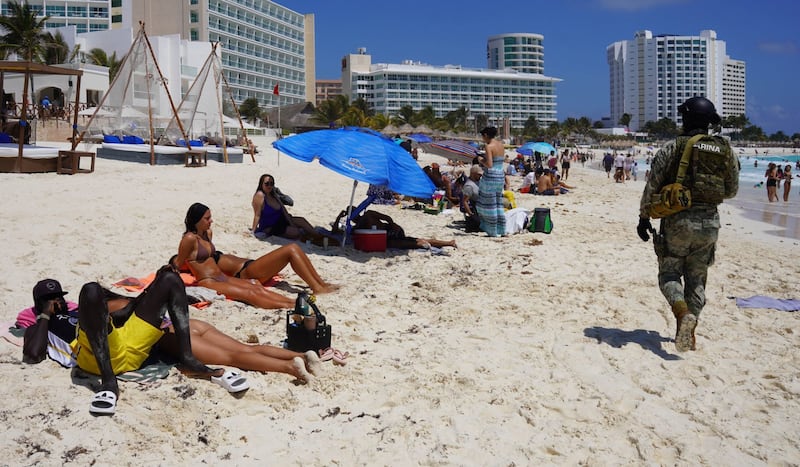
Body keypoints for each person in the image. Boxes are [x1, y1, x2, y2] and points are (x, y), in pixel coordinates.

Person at [23, 272, 230, 415]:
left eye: (58, 296)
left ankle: (188, 358)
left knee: (169, 279)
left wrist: (150, 295)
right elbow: (33, 355)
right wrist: (44, 315)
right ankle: (109, 381)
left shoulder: (81, 311)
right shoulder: (39, 327)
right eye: (49, 299)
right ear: (39, 304)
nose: (56, 301)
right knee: (91, 289)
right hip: (91, 355)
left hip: (124, 344)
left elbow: (122, 315)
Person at [637, 96, 739, 352]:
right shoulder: (726, 149)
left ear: (686, 118)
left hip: (677, 222)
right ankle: (690, 333)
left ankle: (682, 315)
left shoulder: (673, 148)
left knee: (669, 274)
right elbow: (731, 191)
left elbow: (653, 186)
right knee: (697, 279)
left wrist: (643, 218)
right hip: (710, 223)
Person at [177, 203, 339, 310]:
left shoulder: (207, 234)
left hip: (220, 276)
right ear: (196, 220)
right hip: (208, 281)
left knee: (255, 286)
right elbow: (178, 263)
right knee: (250, 293)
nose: (211, 221)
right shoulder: (189, 239)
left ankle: (296, 301)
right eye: (207, 218)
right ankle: (292, 306)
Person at [251, 174, 331, 245]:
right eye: (267, 184)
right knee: (296, 233)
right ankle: (311, 239)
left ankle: (319, 236)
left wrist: (291, 222)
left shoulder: (273, 194)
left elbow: (284, 210)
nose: (269, 186)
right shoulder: (260, 196)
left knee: (302, 221)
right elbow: (257, 215)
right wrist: (253, 231)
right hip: (270, 226)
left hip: (282, 221)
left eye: (271, 184)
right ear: (261, 184)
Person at [336, 209, 457, 249]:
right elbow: (335, 232)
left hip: (391, 232)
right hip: (389, 235)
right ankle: (449, 243)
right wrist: (338, 218)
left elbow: (388, 218)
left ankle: (429, 244)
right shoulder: (356, 228)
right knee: (414, 241)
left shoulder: (368, 215)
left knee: (413, 243)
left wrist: (393, 224)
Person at [476, 126, 506, 237]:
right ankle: (501, 229)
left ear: (486, 135)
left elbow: (489, 164)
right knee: (498, 203)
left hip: (491, 176)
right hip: (500, 175)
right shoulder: (501, 145)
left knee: (488, 204)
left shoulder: (489, 146)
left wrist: (480, 160)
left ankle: (492, 230)